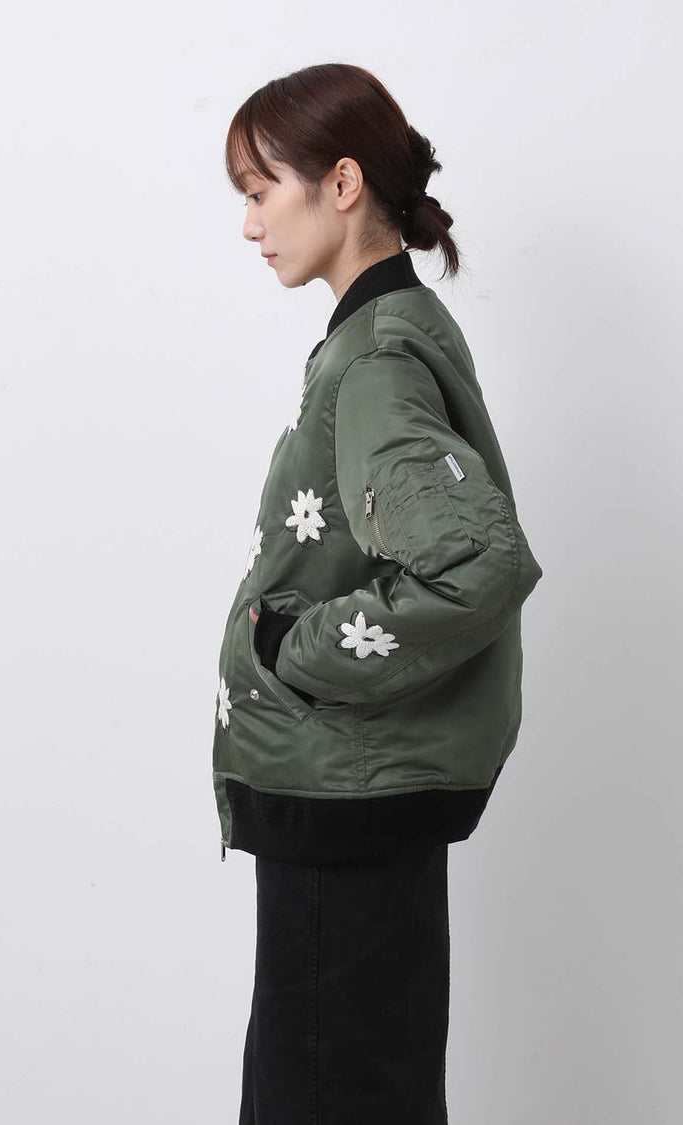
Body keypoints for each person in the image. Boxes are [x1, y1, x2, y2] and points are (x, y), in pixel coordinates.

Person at [213, 62, 544, 1124]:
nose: (251, 223)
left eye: (262, 190)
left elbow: (475, 569)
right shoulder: (387, 333)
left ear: (343, 183)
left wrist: (292, 649)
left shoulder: (377, 360)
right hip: (353, 801)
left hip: (342, 808)